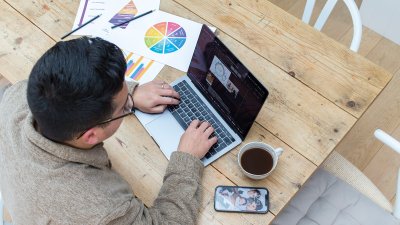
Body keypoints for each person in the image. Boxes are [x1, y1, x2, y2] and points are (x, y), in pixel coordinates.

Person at [0, 37, 217, 224]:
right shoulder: (100, 207)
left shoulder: (18, 96)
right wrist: (186, 161)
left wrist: (130, 94)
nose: (128, 106)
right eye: (124, 108)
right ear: (91, 135)